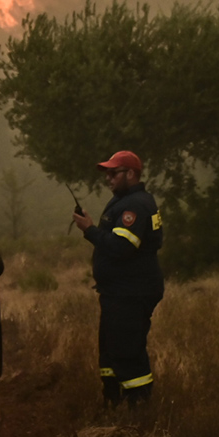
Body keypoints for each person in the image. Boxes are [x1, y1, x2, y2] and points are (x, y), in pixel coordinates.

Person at [71, 150, 164, 408]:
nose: (108, 179)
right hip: (118, 293)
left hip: (131, 293)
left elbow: (122, 248)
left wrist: (89, 230)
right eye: (106, 174)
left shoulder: (134, 205)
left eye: (113, 173)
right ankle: (114, 402)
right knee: (111, 352)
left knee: (127, 352)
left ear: (131, 174)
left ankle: (139, 408)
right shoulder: (124, 201)